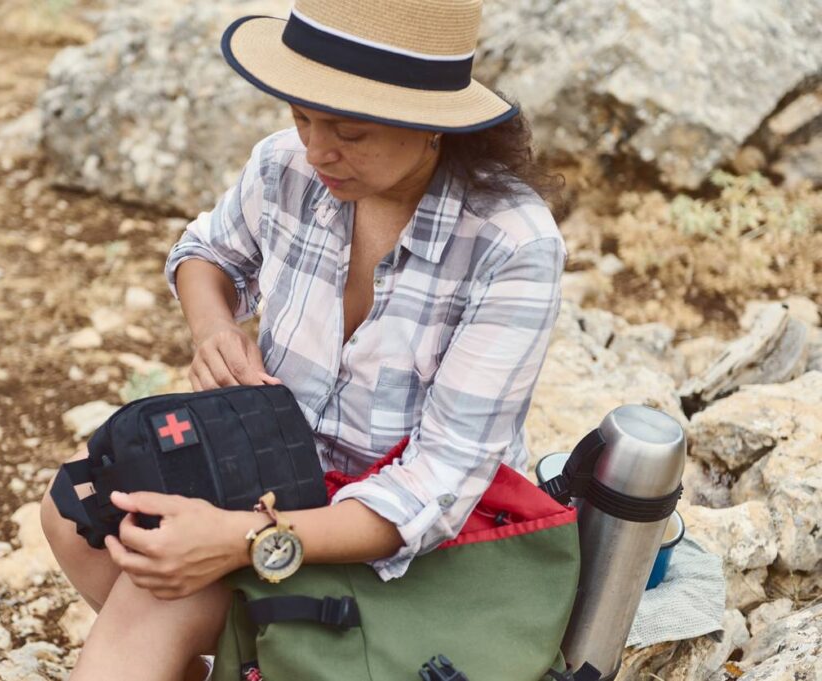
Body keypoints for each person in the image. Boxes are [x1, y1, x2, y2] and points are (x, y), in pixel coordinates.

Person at [41, 1, 568, 679]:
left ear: (432, 127)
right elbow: (206, 252)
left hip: (424, 539)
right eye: (302, 116)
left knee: (152, 599)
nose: (318, 150)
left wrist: (237, 540)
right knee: (77, 512)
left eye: (350, 130)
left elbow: (433, 491)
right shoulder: (287, 167)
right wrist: (215, 326)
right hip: (287, 472)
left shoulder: (510, 243)